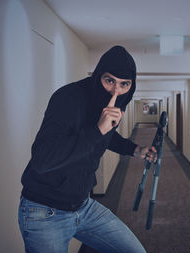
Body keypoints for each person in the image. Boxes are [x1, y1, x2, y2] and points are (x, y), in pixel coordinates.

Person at [18, 46, 156, 253]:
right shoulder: (67, 99)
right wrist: (98, 129)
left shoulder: (115, 103)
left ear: (131, 85)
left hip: (83, 206)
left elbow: (107, 137)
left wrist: (135, 149)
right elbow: (42, 160)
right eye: (109, 80)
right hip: (45, 211)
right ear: (98, 76)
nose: (116, 91)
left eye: (124, 84)